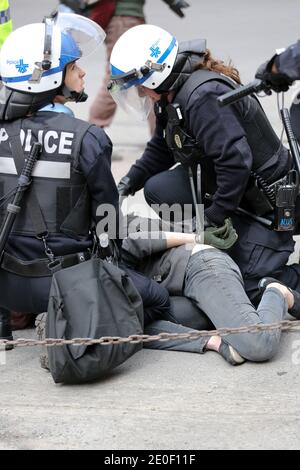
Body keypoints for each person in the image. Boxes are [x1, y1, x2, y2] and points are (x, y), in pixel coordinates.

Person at [108, 24, 300, 304]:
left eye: (137, 86)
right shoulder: (170, 92)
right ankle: (231, 239)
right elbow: (162, 147)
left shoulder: (201, 97)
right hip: (236, 189)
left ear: (153, 75)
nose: (137, 94)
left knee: (246, 286)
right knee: (158, 188)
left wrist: (213, 218)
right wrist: (127, 183)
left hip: (270, 204)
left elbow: (235, 163)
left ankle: (278, 267)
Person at [0, 13, 119, 346]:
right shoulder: (88, 138)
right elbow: (108, 220)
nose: (82, 72)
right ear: (48, 77)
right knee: (157, 298)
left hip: (6, 283)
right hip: (65, 286)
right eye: (73, 66)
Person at [122, 215, 300, 365]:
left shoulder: (106, 233)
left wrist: (200, 237)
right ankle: (218, 337)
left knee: (259, 344)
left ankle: (277, 292)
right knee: (131, 324)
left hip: (200, 266)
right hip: (177, 294)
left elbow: (136, 241)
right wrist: (210, 342)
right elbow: (134, 328)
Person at [87, 0, 189, 132]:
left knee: (146, 79)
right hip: (124, 19)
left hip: (123, 19)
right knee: (122, 79)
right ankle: (92, 130)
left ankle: (161, 134)